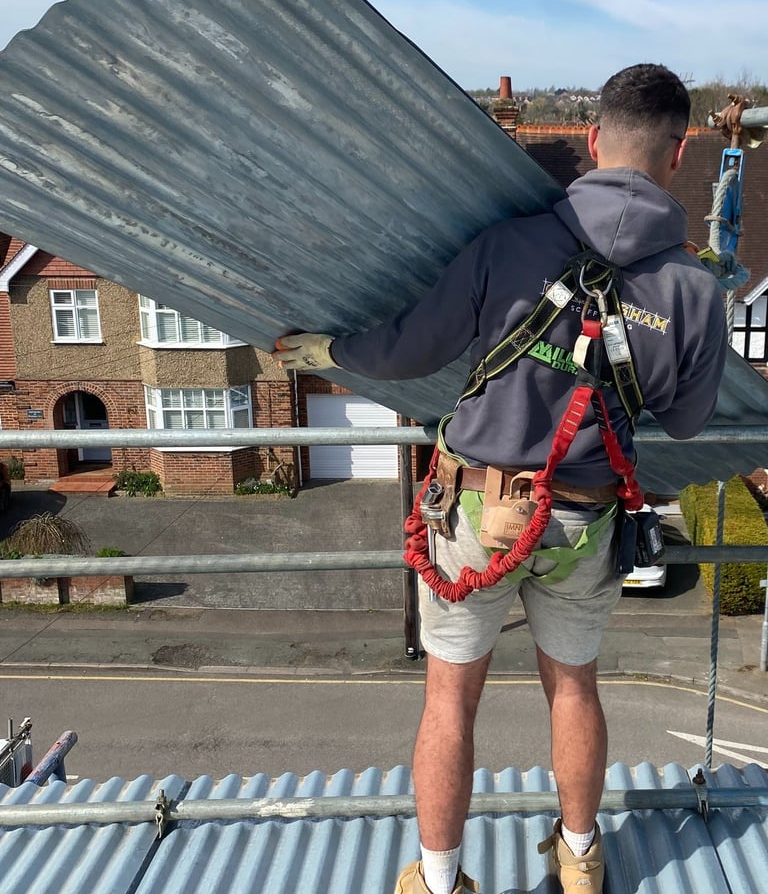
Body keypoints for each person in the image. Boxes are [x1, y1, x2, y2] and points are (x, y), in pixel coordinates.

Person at [272, 64, 728, 894]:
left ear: (593, 140)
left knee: (450, 699)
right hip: (585, 521)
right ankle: (582, 859)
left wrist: (330, 351)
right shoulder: (695, 288)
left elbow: (412, 347)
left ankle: (440, 880)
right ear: (678, 150)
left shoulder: (509, 245)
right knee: (574, 689)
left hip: (475, 513)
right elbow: (691, 421)